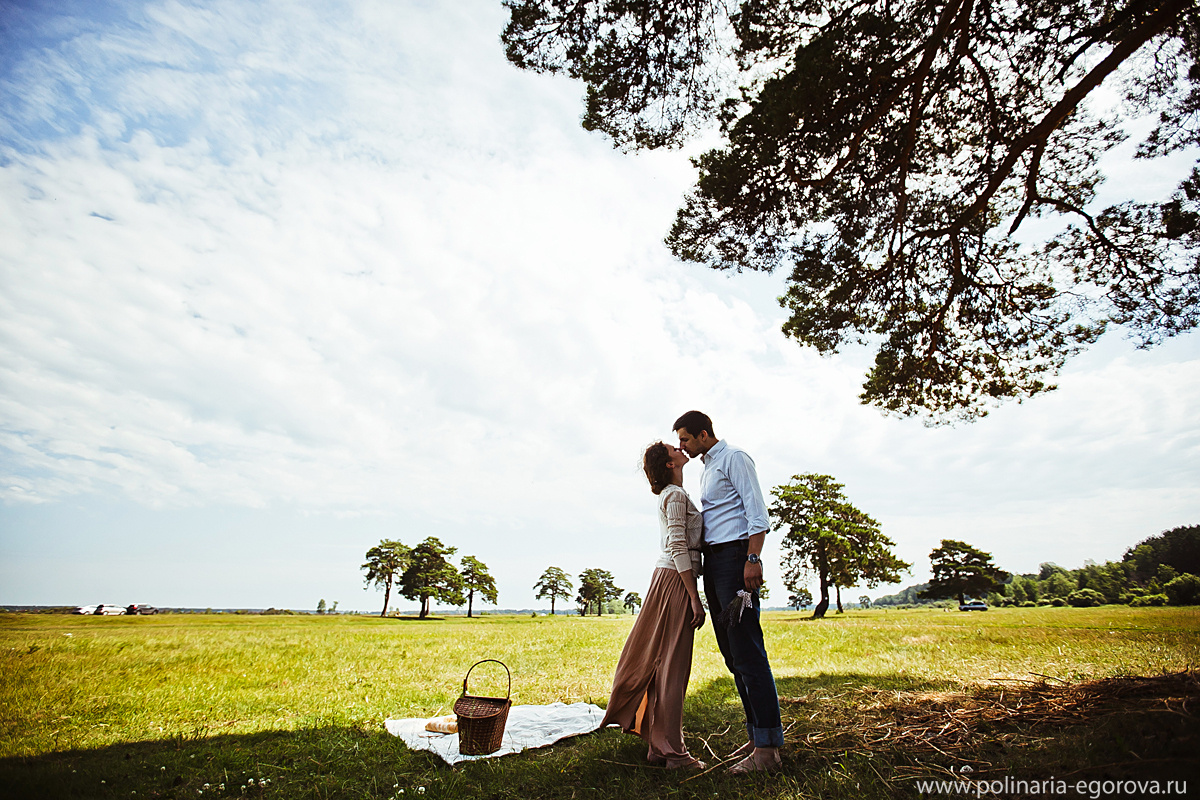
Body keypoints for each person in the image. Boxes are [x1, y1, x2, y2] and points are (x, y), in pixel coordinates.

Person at [674, 410, 783, 774]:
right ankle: (756, 737)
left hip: (737, 559)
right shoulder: (707, 467)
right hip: (715, 562)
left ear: (703, 434)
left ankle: (768, 751)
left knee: (748, 652)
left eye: (685, 439)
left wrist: (753, 559)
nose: (681, 446)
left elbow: (757, 513)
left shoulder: (734, 458)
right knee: (733, 656)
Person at [600, 442, 707, 770]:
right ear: (669, 464)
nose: (680, 447)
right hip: (675, 580)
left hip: (671, 578)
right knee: (673, 667)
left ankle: (659, 747)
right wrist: (694, 596)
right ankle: (674, 752)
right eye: (674, 448)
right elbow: (677, 545)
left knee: (666, 665)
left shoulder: (675, 494)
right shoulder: (674, 496)